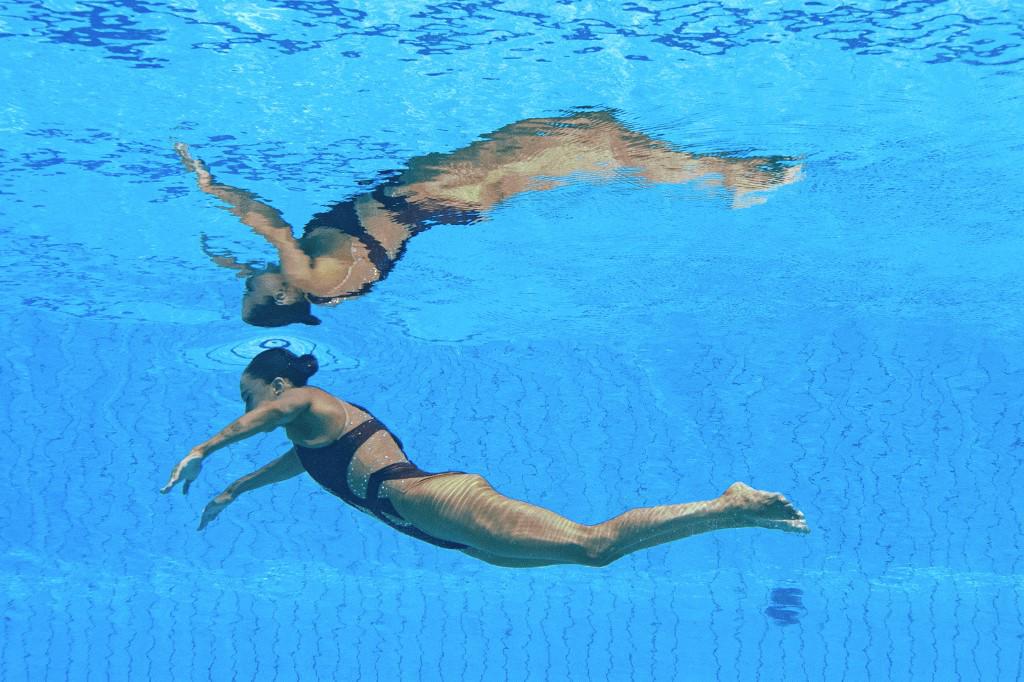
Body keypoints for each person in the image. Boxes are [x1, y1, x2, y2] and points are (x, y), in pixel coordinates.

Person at [161, 348, 809, 568]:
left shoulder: (304, 399)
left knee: (594, 545)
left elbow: (271, 418)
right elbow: (303, 460)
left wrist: (203, 449)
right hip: (436, 527)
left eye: (249, 397)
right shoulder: (310, 435)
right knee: (593, 555)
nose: (251, 409)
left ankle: (728, 504)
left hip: (435, 500)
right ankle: (733, 512)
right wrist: (236, 488)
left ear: (276, 386)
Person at [175, 110, 802, 327]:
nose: (247, 279)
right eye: (252, 288)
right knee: (595, 134)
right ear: (283, 292)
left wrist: (235, 266)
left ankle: (726, 178)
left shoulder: (331, 292)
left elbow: (279, 268)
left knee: (595, 151)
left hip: (452, 210)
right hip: (434, 191)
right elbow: (272, 226)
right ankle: (735, 176)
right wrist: (213, 188)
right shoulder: (303, 273)